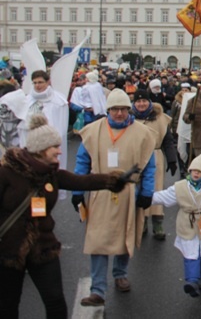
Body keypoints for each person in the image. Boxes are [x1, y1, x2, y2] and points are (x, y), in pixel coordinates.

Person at [0, 115, 130, 319]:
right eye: (55, 147)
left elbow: (83, 181)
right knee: (8, 306)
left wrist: (114, 180)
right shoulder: (7, 173)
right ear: (41, 149)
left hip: (43, 247)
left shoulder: (51, 174)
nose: (60, 151)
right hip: (9, 251)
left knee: (55, 302)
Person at [73, 88, 157, 307]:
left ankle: (120, 274)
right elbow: (82, 162)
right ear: (108, 110)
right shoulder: (93, 131)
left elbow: (149, 166)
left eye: (122, 109)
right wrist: (77, 191)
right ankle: (98, 289)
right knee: (98, 241)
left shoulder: (142, 132)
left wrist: (147, 192)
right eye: (114, 109)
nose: (119, 113)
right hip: (100, 191)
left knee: (123, 237)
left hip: (128, 192)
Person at [151, 154, 201, 297]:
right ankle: (192, 281)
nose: (196, 173)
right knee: (191, 254)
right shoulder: (180, 187)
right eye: (194, 170)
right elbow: (163, 197)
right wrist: (144, 197)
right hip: (187, 225)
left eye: (199, 171)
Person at [131, 90, 177, 240]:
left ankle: (158, 223)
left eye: (144, 101)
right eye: (138, 101)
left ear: (149, 102)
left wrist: (171, 159)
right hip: (135, 157)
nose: (141, 104)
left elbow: (167, 140)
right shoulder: (130, 118)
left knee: (155, 190)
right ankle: (141, 221)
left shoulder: (160, 118)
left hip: (155, 156)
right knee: (137, 189)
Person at [19, 70, 70, 170]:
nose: (37, 85)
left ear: (48, 82)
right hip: (31, 142)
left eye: (40, 82)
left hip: (50, 142)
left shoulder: (59, 101)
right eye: (35, 83)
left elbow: (61, 127)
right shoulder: (27, 100)